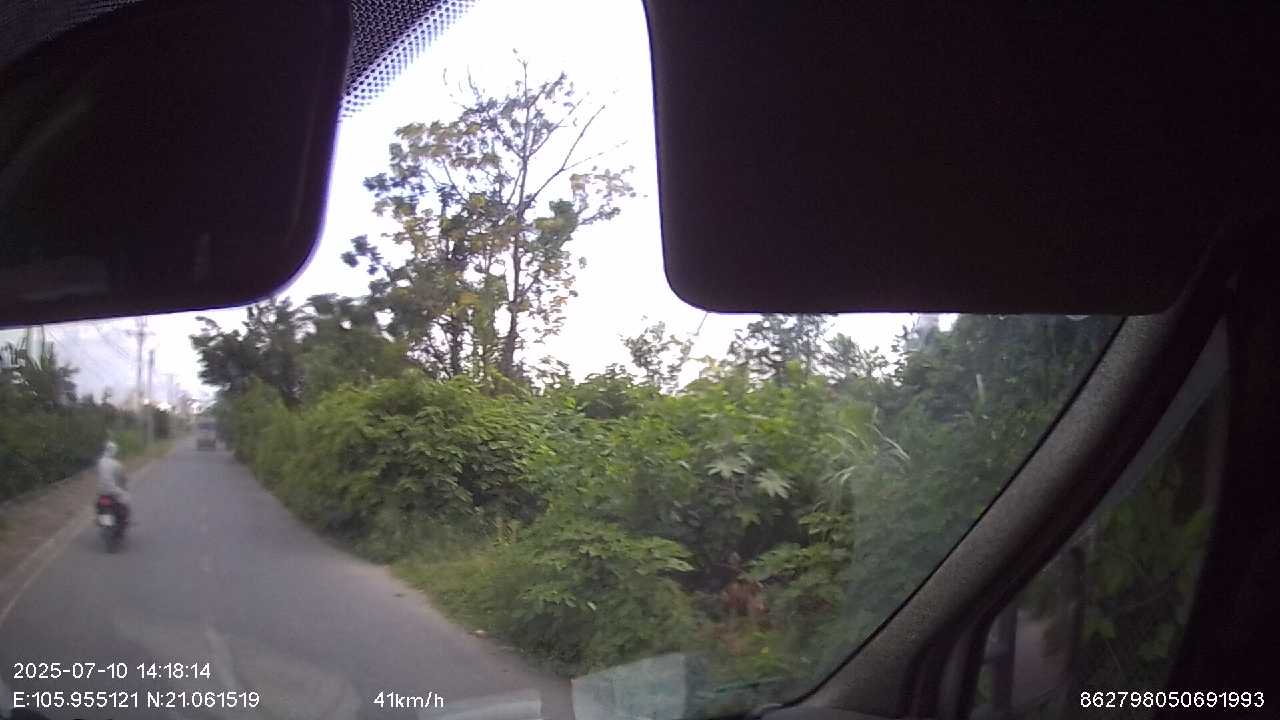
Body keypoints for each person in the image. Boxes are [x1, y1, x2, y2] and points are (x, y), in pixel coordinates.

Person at [96, 440, 130, 524]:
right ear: (114, 451)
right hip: (112, 490)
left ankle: (103, 520)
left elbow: (99, 474)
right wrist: (124, 486)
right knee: (126, 497)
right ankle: (124, 519)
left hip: (101, 491)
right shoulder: (116, 464)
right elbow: (121, 478)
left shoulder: (99, 462)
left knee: (98, 502)